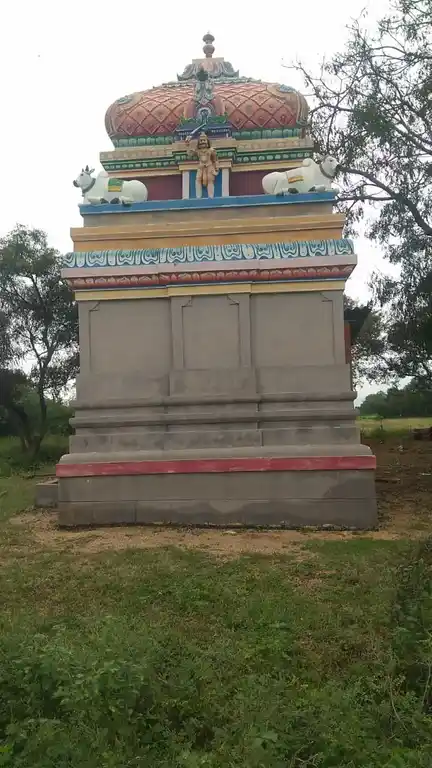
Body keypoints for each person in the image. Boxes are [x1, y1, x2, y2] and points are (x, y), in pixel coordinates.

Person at [186, 132, 219, 198]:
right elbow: (190, 154)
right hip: (200, 167)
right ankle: (198, 197)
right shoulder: (198, 151)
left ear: (207, 141)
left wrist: (216, 168)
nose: (202, 142)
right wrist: (187, 144)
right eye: (201, 141)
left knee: (210, 180)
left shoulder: (211, 150)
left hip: (209, 166)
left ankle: (211, 197)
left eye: (204, 140)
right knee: (198, 179)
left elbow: (215, 160)